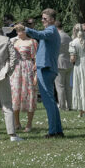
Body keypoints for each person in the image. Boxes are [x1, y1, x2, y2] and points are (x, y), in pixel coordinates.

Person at [24, 8, 64, 139]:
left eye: (45, 19)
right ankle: (57, 130)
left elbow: (40, 35)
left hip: (46, 69)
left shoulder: (51, 30)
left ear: (52, 20)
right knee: (51, 101)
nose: (42, 21)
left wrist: (25, 29)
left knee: (48, 101)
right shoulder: (51, 31)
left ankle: (53, 131)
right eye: (42, 18)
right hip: (46, 67)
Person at [10, 23, 38, 133]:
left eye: (20, 31)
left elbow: (35, 59)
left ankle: (29, 123)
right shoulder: (14, 41)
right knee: (16, 95)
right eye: (17, 31)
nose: (18, 33)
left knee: (29, 94)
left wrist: (36, 75)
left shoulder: (32, 42)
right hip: (17, 70)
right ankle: (16, 122)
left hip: (28, 68)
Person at [55, 25, 73, 111]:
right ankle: (70, 105)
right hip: (68, 62)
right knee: (68, 86)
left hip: (59, 62)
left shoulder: (57, 36)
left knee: (60, 86)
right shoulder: (67, 36)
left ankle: (62, 106)